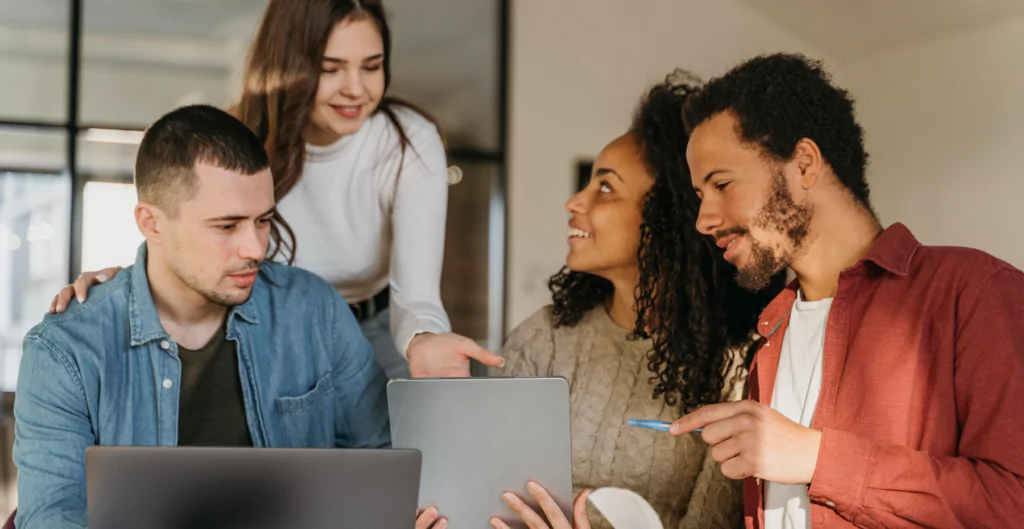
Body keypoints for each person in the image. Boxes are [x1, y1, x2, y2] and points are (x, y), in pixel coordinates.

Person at [14, 105, 442, 529]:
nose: (255, 248)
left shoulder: (315, 311)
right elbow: (53, 517)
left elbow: (383, 464)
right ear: (152, 223)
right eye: (226, 226)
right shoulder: (65, 350)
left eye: (263, 220)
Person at [46, 0, 503, 380]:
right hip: (270, 324)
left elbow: (416, 295)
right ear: (291, 64)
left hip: (377, 326)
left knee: (406, 449)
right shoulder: (238, 136)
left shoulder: (409, 141)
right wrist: (127, 283)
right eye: (331, 68)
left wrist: (423, 342)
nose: (356, 89)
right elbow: (191, 239)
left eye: (372, 66)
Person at [671, 53, 1024, 528]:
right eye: (699, 195)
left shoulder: (976, 291)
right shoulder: (769, 339)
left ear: (804, 163)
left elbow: (1014, 502)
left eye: (722, 183)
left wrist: (819, 459)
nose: (704, 220)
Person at [492, 73, 780, 529]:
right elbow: (487, 488)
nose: (574, 202)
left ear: (668, 218)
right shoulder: (544, 339)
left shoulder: (736, 366)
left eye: (604, 188)